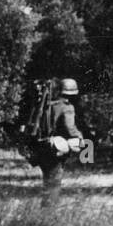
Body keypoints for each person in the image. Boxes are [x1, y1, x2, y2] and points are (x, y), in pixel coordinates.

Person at [37, 78, 84, 206]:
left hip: (43, 146)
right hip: (55, 149)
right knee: (54, 180)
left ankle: (46, 207)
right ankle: (49, 211)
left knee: (48, 179)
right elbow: (70, 128)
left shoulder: (50, 105)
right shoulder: (67, 107)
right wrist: (80, 138)